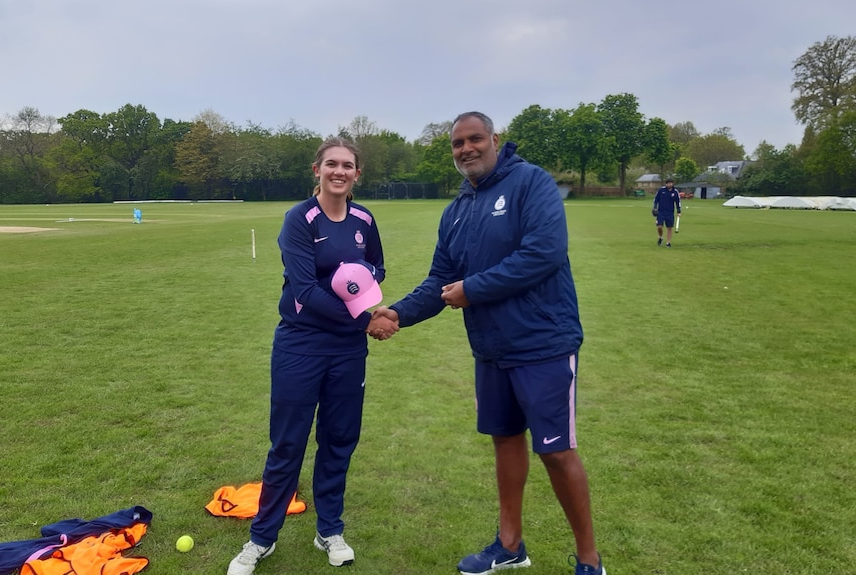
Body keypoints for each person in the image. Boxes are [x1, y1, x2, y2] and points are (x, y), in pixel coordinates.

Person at [373, 112, 605, 575]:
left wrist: (473, 289)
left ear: (495, 139)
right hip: (491, 348)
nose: (466, 149)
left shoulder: (530, 183)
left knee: (556, 451)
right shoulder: (457, 209)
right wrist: (397, 312)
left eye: (475, 139)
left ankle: (589, 560)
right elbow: (441, 278)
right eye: (458, 144)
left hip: (542, 342)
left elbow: (544, 253)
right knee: (505, 441)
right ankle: (510, 544)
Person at [227, 137, 398, 575]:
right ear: (317, 170)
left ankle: (330, 530)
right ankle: (261, 539)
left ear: (357, 174)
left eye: (348, 166)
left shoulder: (364, 217)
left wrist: (360, 278)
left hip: (346, 351)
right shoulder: (299, 218)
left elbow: (378, 266)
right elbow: (304, 291)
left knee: (339, 439)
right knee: (288, 444)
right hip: (301, 344)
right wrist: (365, 319)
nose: (339, 172)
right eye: (332, 165)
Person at [652, 178, 682, 247]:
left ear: (672, 184)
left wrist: (679, 211)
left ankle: (668, 242)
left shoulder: (675, 192)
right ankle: (661, 237)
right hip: (661, 212)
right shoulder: (661, 190)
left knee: (669, 228)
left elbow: (678, 202)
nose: (669, 184)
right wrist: (655, 207)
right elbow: (656, 200)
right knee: (659, 227)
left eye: (671, 183)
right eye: (668, 183)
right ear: (666, 184)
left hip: (670, 212)